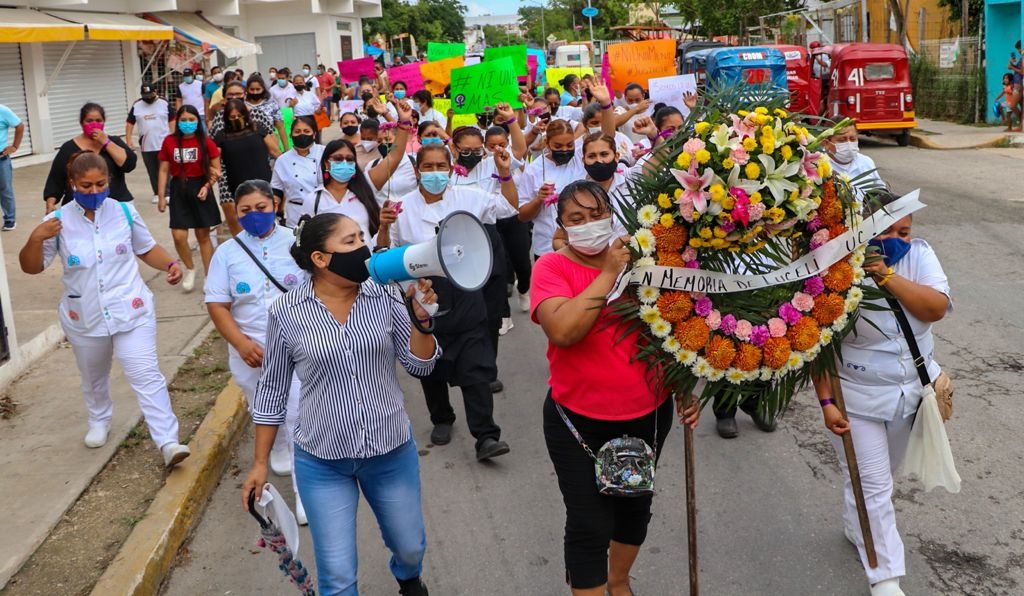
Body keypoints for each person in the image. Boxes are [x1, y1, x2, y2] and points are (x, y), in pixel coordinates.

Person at [241, 212, 439, 596]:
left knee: (410, 546)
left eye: (361, 238)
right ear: (320, 258)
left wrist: (422, 324)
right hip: (322, 461)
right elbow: (272, 390)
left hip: (389, 450)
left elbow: (421, 365)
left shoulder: (386, 293)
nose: (363, 248)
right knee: (337, 574)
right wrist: (261, 463)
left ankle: (407, 576)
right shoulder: (287, 312)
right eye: (349, 242)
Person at [531, 180, 700, 596]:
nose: (589, 224)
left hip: (646, 415)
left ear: (611, 214)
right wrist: (607, 273)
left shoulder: (643, 260)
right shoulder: (551, 268)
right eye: (576, 219)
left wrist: (684, 387)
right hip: (577, 423)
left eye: (596, 214)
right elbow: (564, 331)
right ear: (562, 227)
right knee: (589, 522)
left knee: (633, 510)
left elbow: (673, 330)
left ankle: (619, 582)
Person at [812, 190, 952, 596]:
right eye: (886, 230)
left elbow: (935, 308)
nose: (898, 239)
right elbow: (816, 346)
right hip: (855, 397)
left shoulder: (919, 256)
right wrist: (826, 403)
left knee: (879, 480)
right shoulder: (833, 268)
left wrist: (886, 275)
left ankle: (857, 524)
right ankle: (885, 579)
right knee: (873, 485)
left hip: (910, 394)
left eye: (904, 231)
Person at [18, 152, 192, 468]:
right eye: (85, 186)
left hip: (131, 310)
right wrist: (34, 238)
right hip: (84, 316)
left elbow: (146, 247)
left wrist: (170, 263)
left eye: (100, 183)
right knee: (93, 376)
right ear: (72, 184)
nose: (94, 191)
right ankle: (99, 420)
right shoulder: (55, 223)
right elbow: (31, 268)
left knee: (145, 374)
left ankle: (168, 441)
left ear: (108, 181)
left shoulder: (125, 212)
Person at [389, 143, 518, 460]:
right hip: (423, 297)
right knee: (430, 364)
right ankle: (441, 418)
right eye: (428, 167)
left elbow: (510, 208)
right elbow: (386, 252)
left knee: (475, 368)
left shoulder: (469, 198)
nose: (435, 173)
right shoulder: (399, 207)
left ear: (451, 168)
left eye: (440, 166)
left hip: (465, 291)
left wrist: (504, 173)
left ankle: (486, 435)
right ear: (417, 170)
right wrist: (381, 226)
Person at [206, 180, 307, 518]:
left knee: (296, 415)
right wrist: (240, 343)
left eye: (260, 208)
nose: (253, 216)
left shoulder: (298, 242)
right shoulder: (227, 253)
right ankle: (277, 447)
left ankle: (305, 493)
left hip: (296, 346)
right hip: (250, 350)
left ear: (274, 206)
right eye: (244, 210)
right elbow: (218, 305)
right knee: (263, 406)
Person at [519, 83, 617, 260]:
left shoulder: (580, 157)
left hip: (586, 246)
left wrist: (606, 103)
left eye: (569, 145)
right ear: (547, 144)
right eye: (558, 146)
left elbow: (607, 136)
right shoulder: (533, 170)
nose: (565, 149)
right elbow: (523, 216)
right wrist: (538, 199)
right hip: (546, 249)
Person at [157, 105, 222, 293]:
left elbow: (216, 170)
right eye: (183, 120)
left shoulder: (205, 142)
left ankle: (209, 275)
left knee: (203, 235)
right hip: (179, 188)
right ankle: (190, 268)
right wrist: (162, 196)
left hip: (201, 186)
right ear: (177, 121)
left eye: (191, 120)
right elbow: (163, 169)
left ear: (197, 121)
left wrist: (207, 186)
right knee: (178, 235)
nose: (187, 123)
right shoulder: (169, 141)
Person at [44, 103, 137, 214]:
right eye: (89, 121)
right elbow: (55, 180)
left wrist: (106, 142)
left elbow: (129, 164)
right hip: (79, 208)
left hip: (116, 204)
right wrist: (50, 203)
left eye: (98, 120)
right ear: (81, 123)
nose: (94, 124)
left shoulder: (114, 142)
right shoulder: (68, 148)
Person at [212, 100, 279, 236]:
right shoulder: (221, 136)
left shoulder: (258, 128)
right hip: (238, 186)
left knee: (266, 216)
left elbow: (275, 152)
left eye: (239, 116)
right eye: (232, 117)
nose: (236, 119)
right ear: (226, 118)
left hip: (264, 182)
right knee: (245, 220)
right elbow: (215, 162)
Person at [126, 85, 175, 206]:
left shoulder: (164, 103)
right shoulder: (137, 105)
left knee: (165, 169)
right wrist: (128, 139)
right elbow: (130, 123)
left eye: (150, 95)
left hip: (163, 143)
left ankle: (167, 193)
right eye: (145, 96)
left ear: (155, 92)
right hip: (146, 144)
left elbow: (172, 119)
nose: (148, 98)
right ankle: (157, 193)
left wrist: (173, 136)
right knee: (152, 170)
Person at [272, 117, 325, 227]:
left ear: (314, 134)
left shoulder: (325, 153)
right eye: (297, 131)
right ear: (291, 135)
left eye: (306, 131)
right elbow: (276, 191)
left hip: (323, 211)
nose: (302, 135)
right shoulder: (283, 160)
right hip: (295, 215)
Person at [823, 124, 885, 196]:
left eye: (852, 139)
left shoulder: (866, 162)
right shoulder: (820, 166)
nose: (849, 144)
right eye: (842, 140)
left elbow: (882, 192)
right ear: (826, 143)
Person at [0, 102, 25, 231]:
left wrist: (15, 146)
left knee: (5, 190)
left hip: (1, 159)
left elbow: (19, 125)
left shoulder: (2, 110)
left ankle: (10, 220)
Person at [245, 75, 287, 148]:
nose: (255, 92)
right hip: (248, 146)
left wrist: (286, 149)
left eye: (258, 89)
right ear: (247, 89)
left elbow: (280, 128)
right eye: (252, 89)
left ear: (263, 89)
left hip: (270, 147)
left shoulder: (271, 104)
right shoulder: (242, 105)